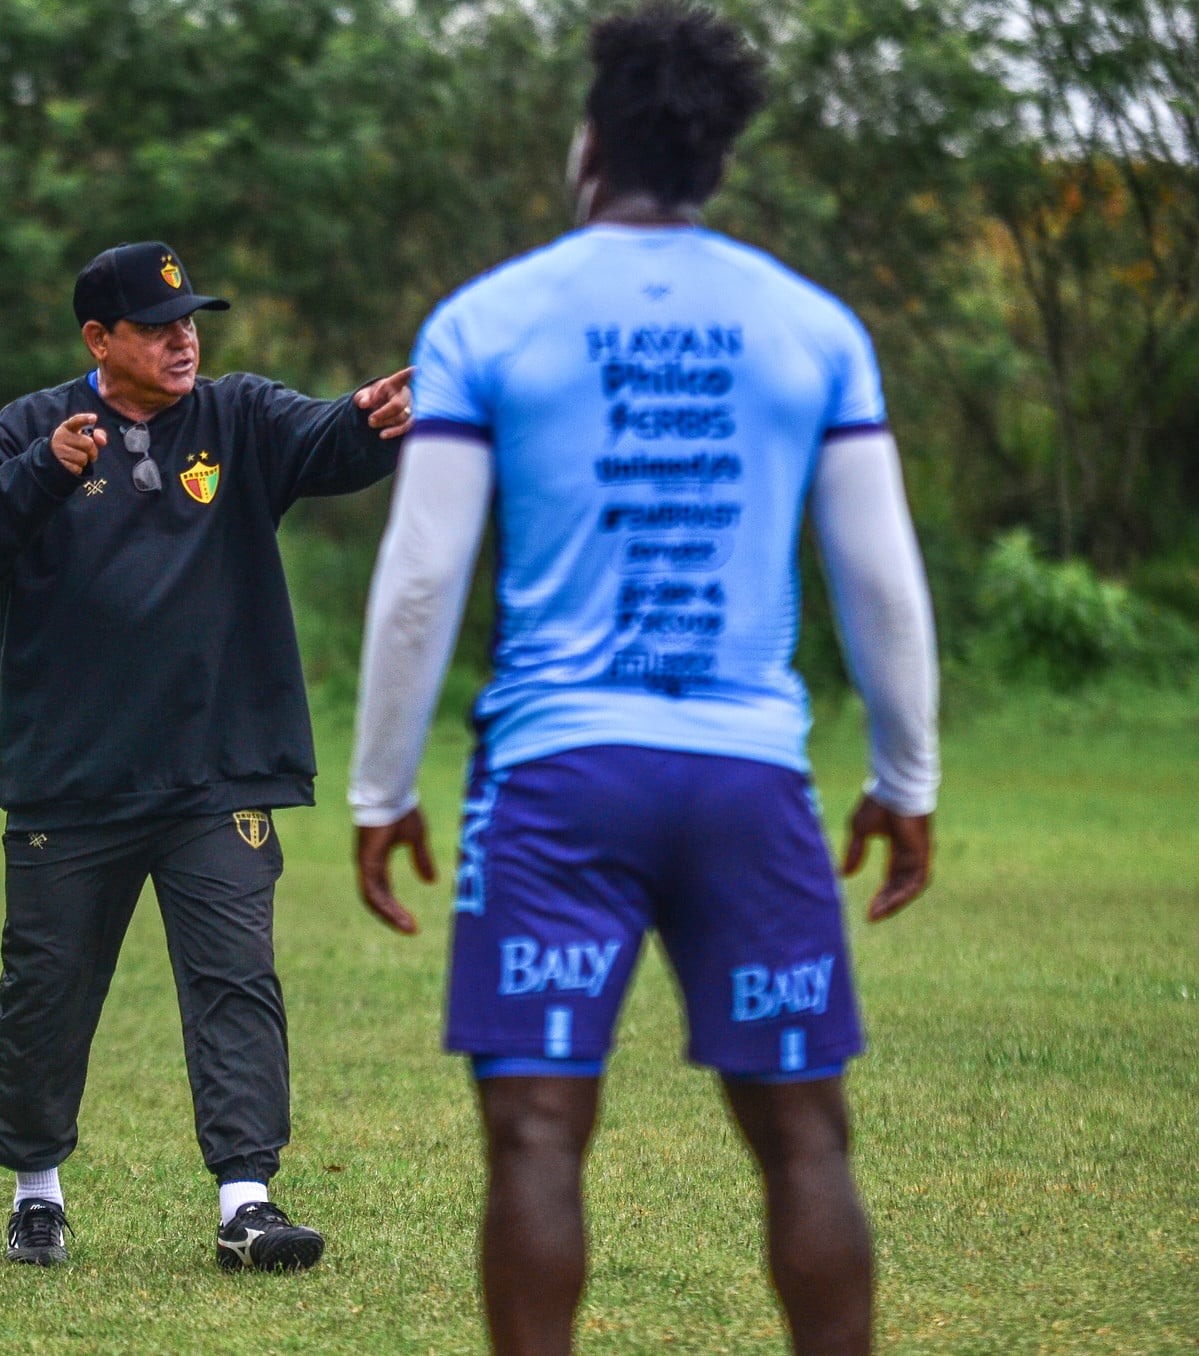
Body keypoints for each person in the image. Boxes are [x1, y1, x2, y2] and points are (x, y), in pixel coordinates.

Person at [346, 6, 939, 1352]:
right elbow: (880, 584)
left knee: (538, 1133)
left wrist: (380, 788)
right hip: (748, 782)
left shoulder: (484, 320)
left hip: (558, 780)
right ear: (714, 161)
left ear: (588, 144)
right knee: (800, 1131)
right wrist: (904, 779)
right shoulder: (811, 327)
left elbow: (421, 577)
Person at [0, 241, 412, 1270]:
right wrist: (44, 470)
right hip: (74, 777)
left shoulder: (237, 418)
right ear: (100, 340)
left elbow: (327, 439)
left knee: (235, 978)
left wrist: (369, 419)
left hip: (216, 773)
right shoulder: (28, 428)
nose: (183, 338)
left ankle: (247, 1202)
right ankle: (36, 1191)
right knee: (46, 994)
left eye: (190, 319)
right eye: (157, 325)